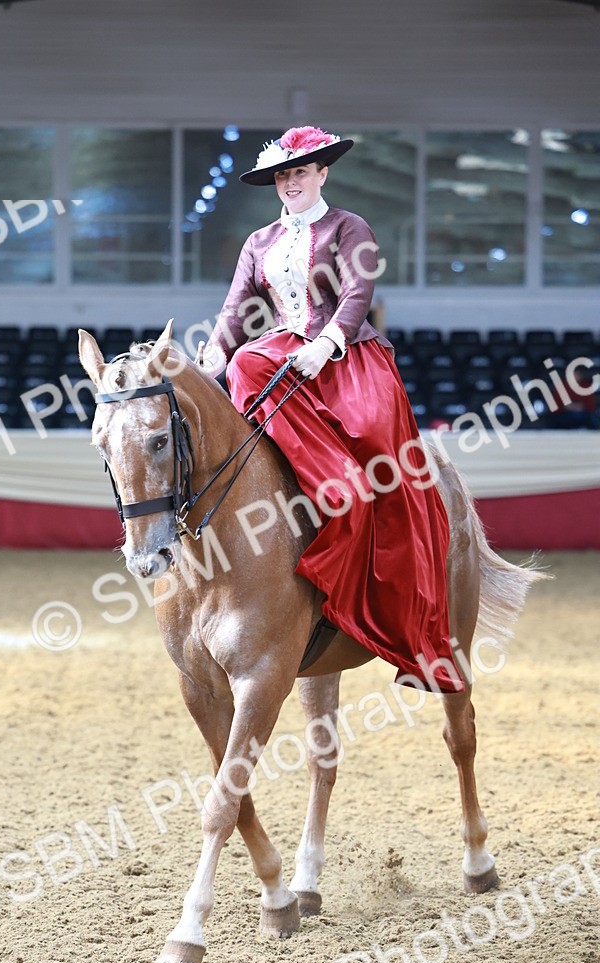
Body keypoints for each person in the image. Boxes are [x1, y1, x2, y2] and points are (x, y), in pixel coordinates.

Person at [197, 125, 463, 693]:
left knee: (373, 442)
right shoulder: (259, 241)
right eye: (283, 175)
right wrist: (214, 353)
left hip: (347, 358)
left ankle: (409, 613)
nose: (290, 182)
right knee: (243, 362)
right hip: (285, 351)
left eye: (300, 172)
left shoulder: (349, 227)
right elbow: (235, 309)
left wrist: (328, 342)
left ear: (322, 173)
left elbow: (357, 293)